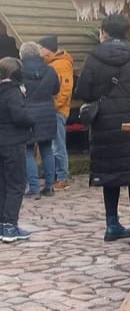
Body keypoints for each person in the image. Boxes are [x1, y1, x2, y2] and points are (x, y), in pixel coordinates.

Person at [76, 14, 130, 244]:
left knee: (109, 172)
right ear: (126, 32)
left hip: (104, 124)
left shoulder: (93, 57)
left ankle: (112, 224)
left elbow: (83, 90)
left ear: (104, 32)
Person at [0, 57, 34, 243]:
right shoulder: (12, 93)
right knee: (15, 184)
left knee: (2, 184)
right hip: (12, 142)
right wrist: (31, 118)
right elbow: (20, 116)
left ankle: (2, 224)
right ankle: (10, 226)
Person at [19, 42, 59, 199]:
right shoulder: (50, 70)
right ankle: (49, 186)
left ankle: (33, 187)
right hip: (47, 112)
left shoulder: (19, 71)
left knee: (27, 150)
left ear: (22, 55)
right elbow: (56, 89)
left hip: (27, 112)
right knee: (47, 149)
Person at [38, 36, 73, 191]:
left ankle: (62, 177)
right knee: (54, 144)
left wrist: (53, 106)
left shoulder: (61, 65)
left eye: (41, 47)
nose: (39, 51)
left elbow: (65, 89)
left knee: (58, 144)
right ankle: (58, 176)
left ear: (47, 49)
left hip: (57, 110)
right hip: (54, 110)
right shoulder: (53, 64)